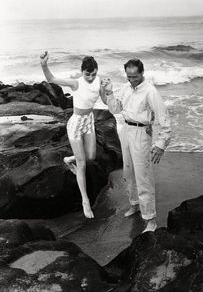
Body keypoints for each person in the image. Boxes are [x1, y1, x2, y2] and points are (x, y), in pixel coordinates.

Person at [104, 59, 171, 232]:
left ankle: (150, 219)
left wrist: (161, 144)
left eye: (135, 76)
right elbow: (116, 109)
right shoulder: (126, 88)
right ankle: (134, 204)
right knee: (128, 172)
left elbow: (164, 118)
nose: (132, 80)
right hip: (126, 130)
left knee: (143, 176)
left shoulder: (151, 92)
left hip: (141, 134)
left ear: (142, 73)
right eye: (129, 76)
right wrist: (109, 93)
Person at [40, 51, 109, 219]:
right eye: (88, 74)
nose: (91, 77)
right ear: (82, 71)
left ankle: (69, 159)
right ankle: (85, 201)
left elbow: (106, 101)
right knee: (82, 163)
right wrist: (44, 65)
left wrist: (107, 90)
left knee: (91, 156)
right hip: (76, 124)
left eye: (93, 74)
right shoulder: (76, 83)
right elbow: (52, 80)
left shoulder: (98, 81)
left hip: (89, 121)